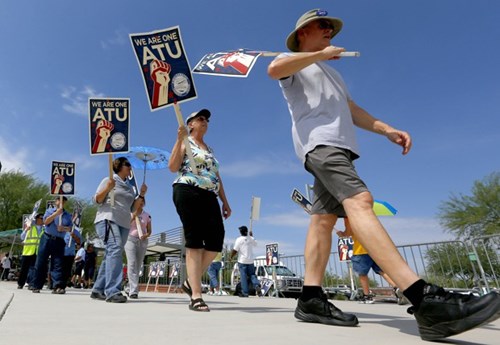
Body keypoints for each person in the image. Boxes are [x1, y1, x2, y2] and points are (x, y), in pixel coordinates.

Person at [267, 8, 500, 340]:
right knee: (361, 201)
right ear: (303, 32)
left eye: (331, 27)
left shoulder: (333, 74)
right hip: (321, 145)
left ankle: (310, 298)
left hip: (338, 147)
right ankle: (424, 299)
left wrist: (387, 129)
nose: (330, 31)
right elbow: (274, 69)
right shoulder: (293, 61)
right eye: (323, 26)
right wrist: (318, 54)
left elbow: (352, 110)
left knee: (322, 220)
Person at [169, 108, 231, 312]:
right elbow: (173, 166)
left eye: (207, 120)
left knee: (215, 240)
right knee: (194, 240)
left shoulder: (209, 149)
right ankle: (196, 295)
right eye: (200, 119)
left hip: (209, 194)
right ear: (191, 124)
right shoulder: (186, 142)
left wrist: (225, 201)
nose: (205, 121)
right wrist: (179, 140)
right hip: (187, 189)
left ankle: (189, 282)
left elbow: (216, 176)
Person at [90, 157, 147, 303]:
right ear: (119, 166)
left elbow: (133, 208)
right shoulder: (109, 179)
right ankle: (113, 291)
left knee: (112, 253)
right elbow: (96, 200)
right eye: (127, 165)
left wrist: (141, 194)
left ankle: (97, 289)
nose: (130, 167)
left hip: (124, 223)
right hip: (108, 218)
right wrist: (108, 188)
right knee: (115, 249)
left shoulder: (128, 186)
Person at [335, 218, 405, 304]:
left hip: (361, 250)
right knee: (381, 271)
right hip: (374, 249)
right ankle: (396, 287)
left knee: (362, 274)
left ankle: (366, 296)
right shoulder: (368, 217)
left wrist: (341, 234)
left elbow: (348, 233)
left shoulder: (350, 218)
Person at [32, 197, 73, 294]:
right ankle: (36, 285)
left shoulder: (67, 215)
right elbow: (45, 222)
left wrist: (63, 228)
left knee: (57, 263)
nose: (61, 202)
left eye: (63, 201)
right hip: (47, 238)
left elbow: (70, 228)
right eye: (59, 200)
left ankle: (57, 286)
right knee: (41, 262)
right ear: (56, 201)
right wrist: (56, 214)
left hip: (59, 240)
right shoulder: (49, 211)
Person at [124, 196, 152, 299]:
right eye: (139, 201)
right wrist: (133, 216)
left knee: (138, 265)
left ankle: (128, 286)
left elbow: (149, 231)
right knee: (132, 264)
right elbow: (125, 225)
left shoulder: (147, 215)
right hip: (130, 239)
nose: (141, 203)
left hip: (142, 241)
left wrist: (146, 235)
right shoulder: (130, 213)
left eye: (142, 201)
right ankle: (133, 290)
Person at [230, 226, 262, 297]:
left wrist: (230, 257)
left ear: (241, 232)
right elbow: (256, 244)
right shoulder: (251, 238)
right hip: (250, 260)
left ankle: (245, 292)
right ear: (247, 231)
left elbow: (235, 250)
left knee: (243, 276)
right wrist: (252, 236)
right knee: (252, 275)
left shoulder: (239, 239)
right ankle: (256, 285)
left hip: (242, 260)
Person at [17, 214, 44, 289]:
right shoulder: (31, 227)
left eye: (43, 218)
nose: (43, 219)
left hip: (37, 252)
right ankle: (20, 283)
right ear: (37, 219)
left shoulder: (44, 229)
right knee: (24, 269)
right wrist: (26, 230)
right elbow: (22, 237)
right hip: (27, 251)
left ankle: (31, 284)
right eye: (41, 218)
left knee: (34, 268)